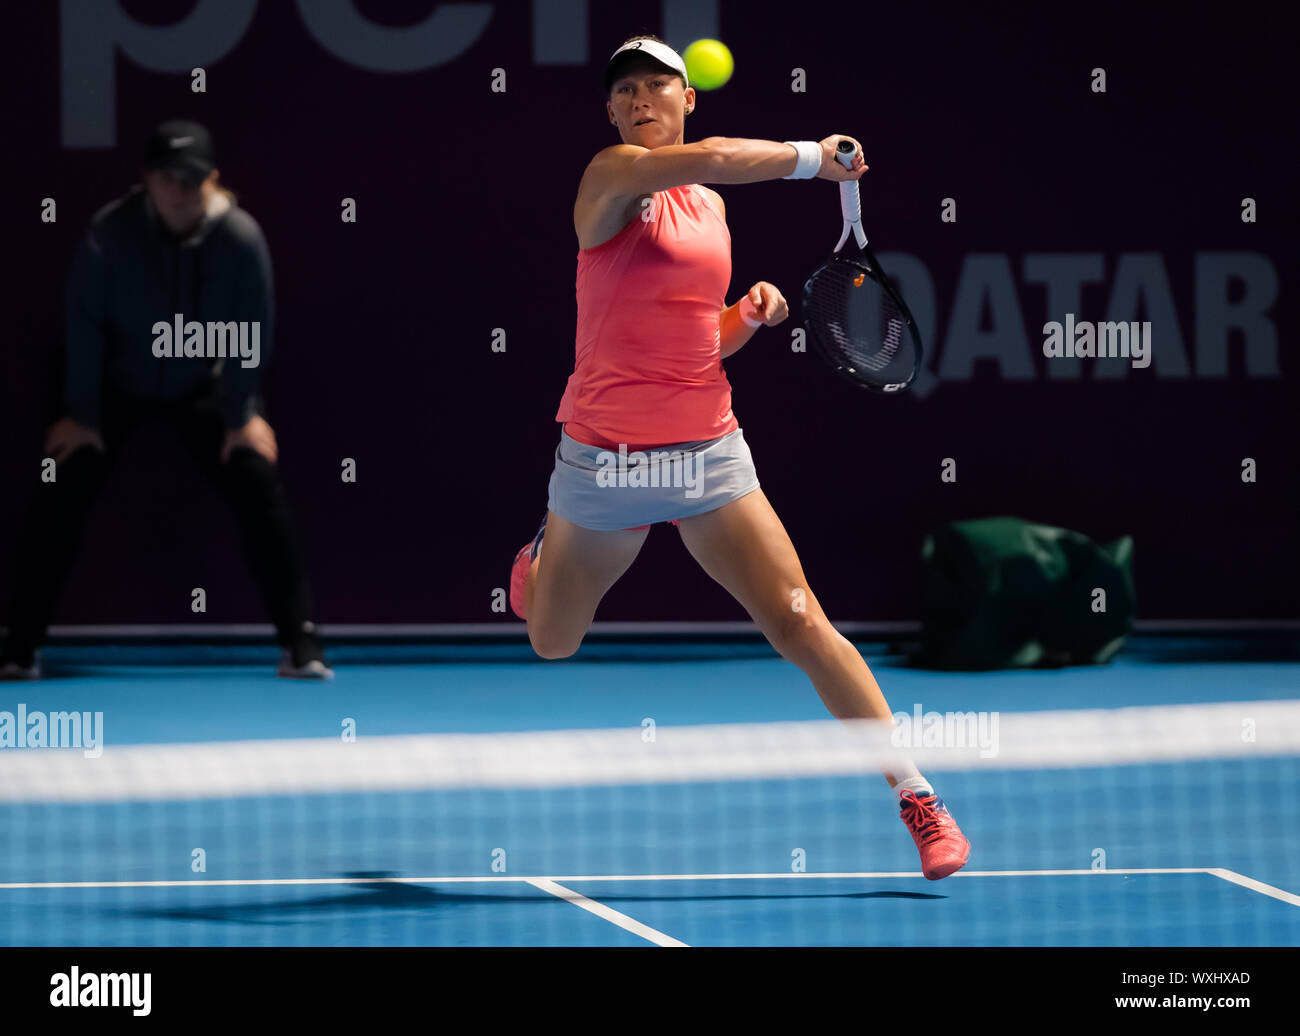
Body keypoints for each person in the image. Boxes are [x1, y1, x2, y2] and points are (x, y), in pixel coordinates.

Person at [508, 37, 969, 878]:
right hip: (604, 465)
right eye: (626, 92)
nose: (641, 99)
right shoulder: (610, 176)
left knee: (799, 621)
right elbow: (721, 158)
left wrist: (742, 321)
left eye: (658, 86)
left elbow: (692, 345)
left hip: (706, 455)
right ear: (611, 113)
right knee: (552, 642)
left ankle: (917, 796)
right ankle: (541, 553)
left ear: (688, 96)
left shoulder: (710, 212)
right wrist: (810, 159)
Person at [0, 119, 330, 680]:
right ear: (146, 181)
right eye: (169, 177)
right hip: (114, 387)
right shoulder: (108, 234)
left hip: (205, 386)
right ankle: (18, 646)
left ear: (212, 180)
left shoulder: (241, 239)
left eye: (193, 178)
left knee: (255, 473)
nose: (181, 190)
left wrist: (239, 412)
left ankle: (301, 643)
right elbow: (83, 327)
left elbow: (253, 333)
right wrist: (82, 414)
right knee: (63, 475)